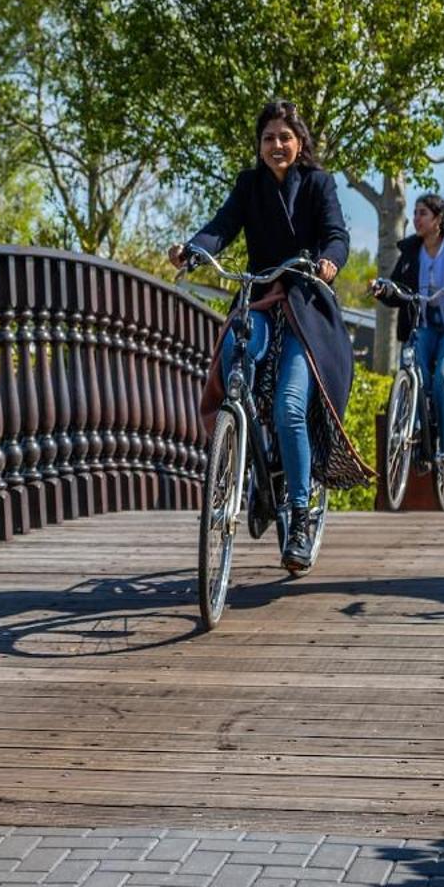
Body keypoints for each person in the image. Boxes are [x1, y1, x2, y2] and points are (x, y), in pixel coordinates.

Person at [168, 99, 366, 573]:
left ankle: (298, 514)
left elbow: (337, 234)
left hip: (304, 306)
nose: (276, 145)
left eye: (284, 137)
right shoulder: (249, 185)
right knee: (236, 362)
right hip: (258, 300)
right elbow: (222, 227)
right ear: (259, 146)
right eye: (268, 138)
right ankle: (249, 461)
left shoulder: (319, 184)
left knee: (289, 405)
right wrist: (193, 251)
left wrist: (329, 261)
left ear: (300, 143)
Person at [367, 194, 444, 487]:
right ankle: (420, 438)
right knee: (412, 371)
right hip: (423, 328)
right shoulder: (410, 251)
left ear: (438, 219)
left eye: (423, 213)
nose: (417, 218)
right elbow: (396, 290)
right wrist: (382, 290)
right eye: (415, 213)